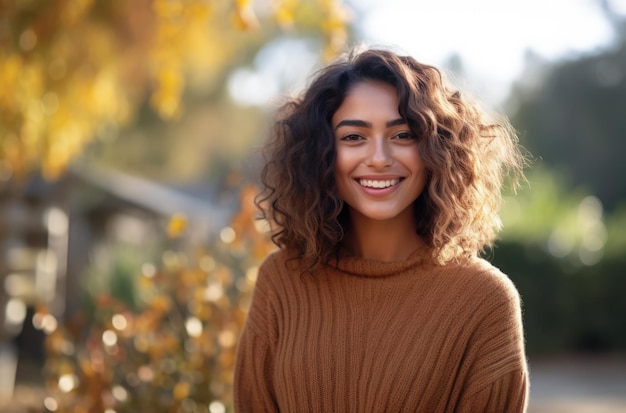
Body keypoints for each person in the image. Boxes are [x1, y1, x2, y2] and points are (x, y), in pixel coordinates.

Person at [234, 47, 529, 412]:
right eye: (353, 137)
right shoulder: (281, 280)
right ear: (320, 154)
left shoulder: (483, 300)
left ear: (435, 149)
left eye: (403, 135)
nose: (378, 158)